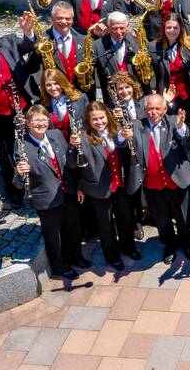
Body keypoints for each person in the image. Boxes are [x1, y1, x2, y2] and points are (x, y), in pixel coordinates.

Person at [14, 105, 91, 279]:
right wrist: (20, 172)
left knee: (74, 228)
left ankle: (76, 257)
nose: (41, 123)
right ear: (28, 123)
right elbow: (18, 184)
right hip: (46, 199)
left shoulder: (55, 135)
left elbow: (70, 164)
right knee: (54, 237)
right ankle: (60, 266)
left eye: (43, 119)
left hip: (67, 192)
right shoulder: (22, 147)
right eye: (36, 121)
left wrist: (72, 147)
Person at [122, 94, 190, 264]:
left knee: (183, 217)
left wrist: (181, 126)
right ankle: (169, 245)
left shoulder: (173, 121)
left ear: (164, 109)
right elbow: (121, 143)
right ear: (145, 109)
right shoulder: (137, 125)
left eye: (157, 108)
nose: (153, 112)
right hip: (153, 185)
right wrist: (121, 137)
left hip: (177, 181)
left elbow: (186, 139)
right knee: (162, 219)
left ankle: (187, 244)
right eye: (149, 108)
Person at [77, 101, 142, 270]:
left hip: (119, 183)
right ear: (88, 121)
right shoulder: (83, 137)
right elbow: (75, 164)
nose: (99, 122)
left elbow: (125, 149)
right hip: (100, 188)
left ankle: (129, 247)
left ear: (108, 116)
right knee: (105, 224)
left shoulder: (115, 131)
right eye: (94, 120)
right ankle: (112, 255)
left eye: (101, 118)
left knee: (125, 218)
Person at [0, 11, 36, 208]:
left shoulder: (9, 42)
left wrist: (28, 32)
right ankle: (15, 193)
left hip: (21, 108)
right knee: (4, 155)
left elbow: (28, 46)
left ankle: (37, 185)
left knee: (30, 146)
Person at [109, 71, 147, 240]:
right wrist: (115, 121)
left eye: (127, 87)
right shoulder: (112, 109)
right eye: (120, 88)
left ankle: (150, 216)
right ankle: (136, 222)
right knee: (133, 189)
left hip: (145, 151)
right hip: (126, 155)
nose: (124, 91)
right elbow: (112, 137)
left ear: (134, 87)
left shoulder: (142, 104)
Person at [150, 13, 190, 116]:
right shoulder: (153, 46)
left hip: (187, 97)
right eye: (168, 27)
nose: (172, 31)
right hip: (164, 96)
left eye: (175, 28)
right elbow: (152, 74)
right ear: (163, 28)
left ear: (181, 28)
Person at [92, 11, 144, 105]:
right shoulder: (97, 46)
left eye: (122, 28)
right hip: (112, 100)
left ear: (127, 27)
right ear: (108, 28)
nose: (119, 32)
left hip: (136, 98)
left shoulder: (136, 41)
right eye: (115, 28)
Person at [39, 68, 89, 142]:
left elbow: (88, 122)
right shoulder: (41, 105)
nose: (53, 88)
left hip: (79, 143)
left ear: (62, 83)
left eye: (56, 83)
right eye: (48, 85)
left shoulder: (81, 98)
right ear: (44, 87)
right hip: (56, 148)